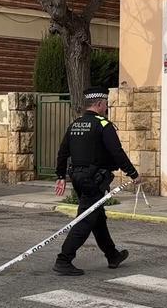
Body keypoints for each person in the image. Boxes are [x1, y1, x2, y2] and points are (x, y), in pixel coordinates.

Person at [52, 86, 139, 276]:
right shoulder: (103, 125)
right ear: (99, 104)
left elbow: (63, 152)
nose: (106, 108)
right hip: (94, 180)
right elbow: (117, 152)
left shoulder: (75, 124)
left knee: (97, 218)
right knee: (84, 220)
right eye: (106, 104)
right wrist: (133, 173)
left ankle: (112, 255)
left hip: (78, 178)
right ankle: (64, 259)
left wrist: (60, 176)